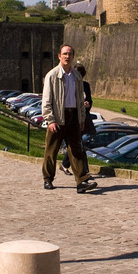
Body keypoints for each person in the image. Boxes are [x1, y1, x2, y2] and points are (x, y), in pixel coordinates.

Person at [41, 45, 97, 193]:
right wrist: (50, 119)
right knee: (51, 150)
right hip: (58, 116)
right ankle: (47, 179)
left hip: (74, 116)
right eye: (65, 54)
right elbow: (46, 100)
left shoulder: (77, 77)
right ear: (59, 56)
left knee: (76, 149)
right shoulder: (52, 75)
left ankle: (81, 181)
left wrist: (82, 118)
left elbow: (80, 100)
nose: (67, 56)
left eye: (70, 54)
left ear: (73, 57)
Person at [61, 64, 93, 174]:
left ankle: (66, 165)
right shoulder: (70, 84)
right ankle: (84, 171)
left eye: (80, 74)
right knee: (78, 145)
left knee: (77, 144)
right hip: (72, 118)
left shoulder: (85, 85)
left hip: (83, 118)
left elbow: (90, 101)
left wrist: (87, 104)